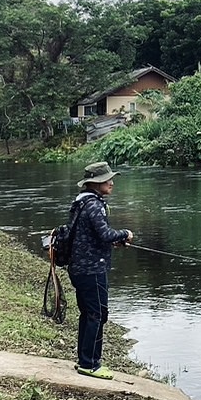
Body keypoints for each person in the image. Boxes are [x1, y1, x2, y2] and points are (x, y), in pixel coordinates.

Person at [67, 161, 133, 380]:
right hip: (92, 269)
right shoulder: (95, 205)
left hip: (79, 268)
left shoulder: (81, 203)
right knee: (97, 315)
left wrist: (112, 242)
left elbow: (90, 236)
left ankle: (84, 360)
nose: (112, 183)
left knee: (88, 314)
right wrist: (125, 234)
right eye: (107, 180)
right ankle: (90, 364)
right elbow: (105, 234)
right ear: (96, 184)